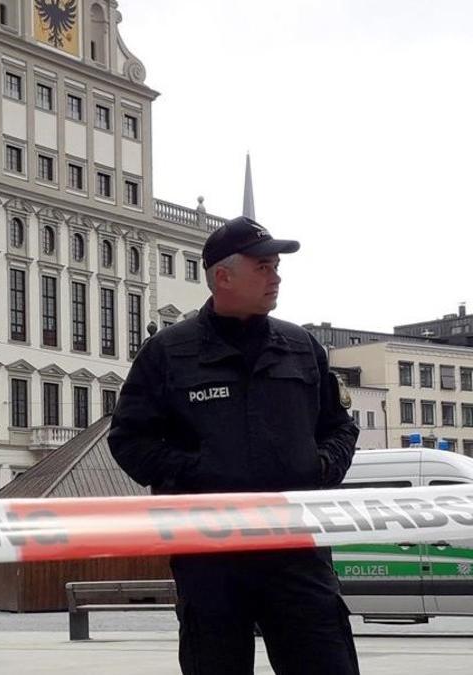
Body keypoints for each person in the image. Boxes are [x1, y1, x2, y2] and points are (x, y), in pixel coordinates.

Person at [108, 216, 360, 675]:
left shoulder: (301, 347)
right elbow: (129, 439)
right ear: (223, 276)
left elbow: (340, 427)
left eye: (277, 267)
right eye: (263, 267)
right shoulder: (168, 352)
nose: (277, 277)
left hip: (296, 550)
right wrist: (198, 473)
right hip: (210, 556)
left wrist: (319, 467)